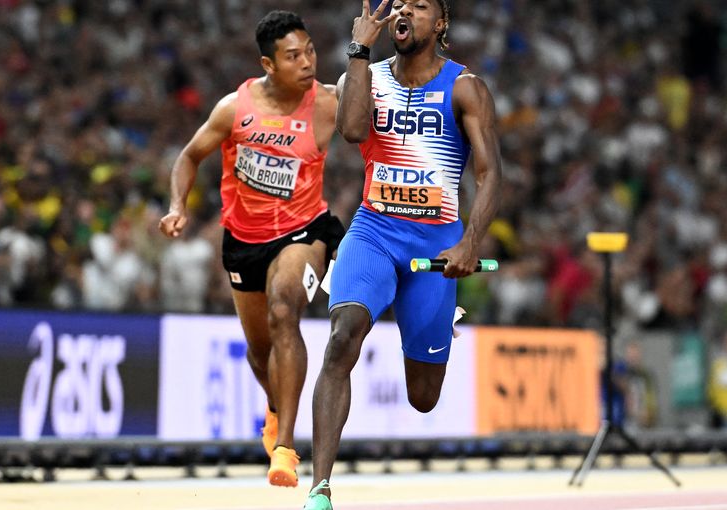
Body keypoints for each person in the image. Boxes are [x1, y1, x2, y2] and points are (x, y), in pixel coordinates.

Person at [303, 0, 501, 507]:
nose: (405, 12)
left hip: (436, 241)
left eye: (420, 5)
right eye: (400, 4)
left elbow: (489, 173)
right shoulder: (365, 74)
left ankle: (437, 316)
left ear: (441, 23)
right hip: (374, 230)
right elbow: (351, 132)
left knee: (423, 398)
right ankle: (320, 489)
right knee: (342, 337)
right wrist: (358, 51)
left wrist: (468, 243)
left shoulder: (465, 88)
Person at [158, 10, 344, 488]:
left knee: (286, 309)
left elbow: (370, 120)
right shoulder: (233, 108)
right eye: (292, 56)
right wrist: (178, 204)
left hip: (306, 231)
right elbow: (189, 156)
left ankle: (285, 446)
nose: (307, 62)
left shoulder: (326, 105)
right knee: (259, 354)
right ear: (268, 63)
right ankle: (277, 407)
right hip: (243, 241)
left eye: (310, 51)